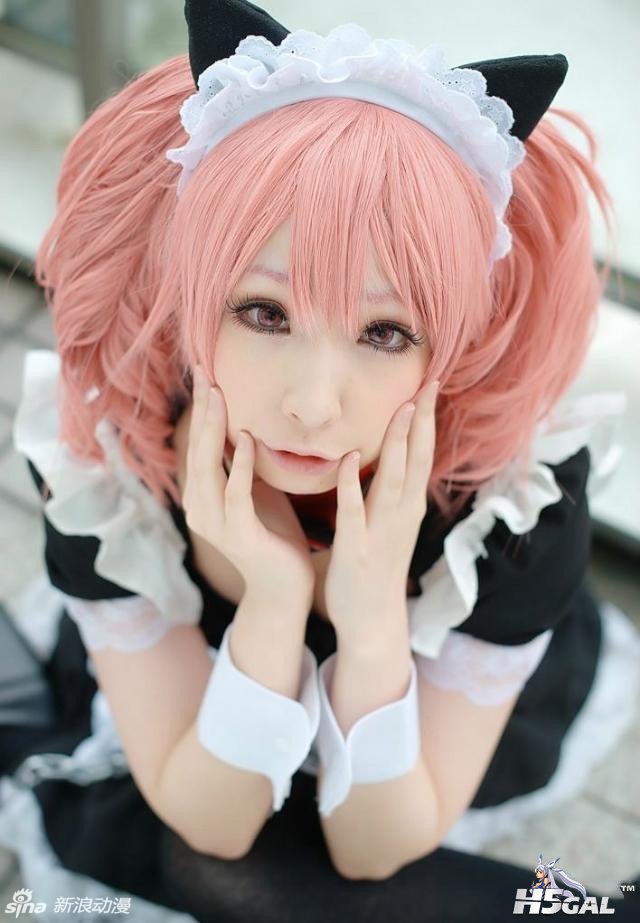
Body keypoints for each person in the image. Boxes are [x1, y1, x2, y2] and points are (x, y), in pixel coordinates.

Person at [1, 2, 639, 920]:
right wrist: (273, 601)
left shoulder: (516, 514)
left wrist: (373, 621)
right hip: (207, 703)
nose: (312, 402)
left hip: (429, 728)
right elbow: (214, 824)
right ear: (190, 291)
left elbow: (376, 847)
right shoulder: (107, 475)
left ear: (451, 344)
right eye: (264, 312)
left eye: (385, 331)